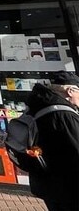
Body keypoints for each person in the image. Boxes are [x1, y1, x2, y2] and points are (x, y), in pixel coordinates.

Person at [26, 71, 79, 211]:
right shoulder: (63, 114)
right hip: (69, 184)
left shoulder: (39, 107)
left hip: (50, 183)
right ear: (70, 91)